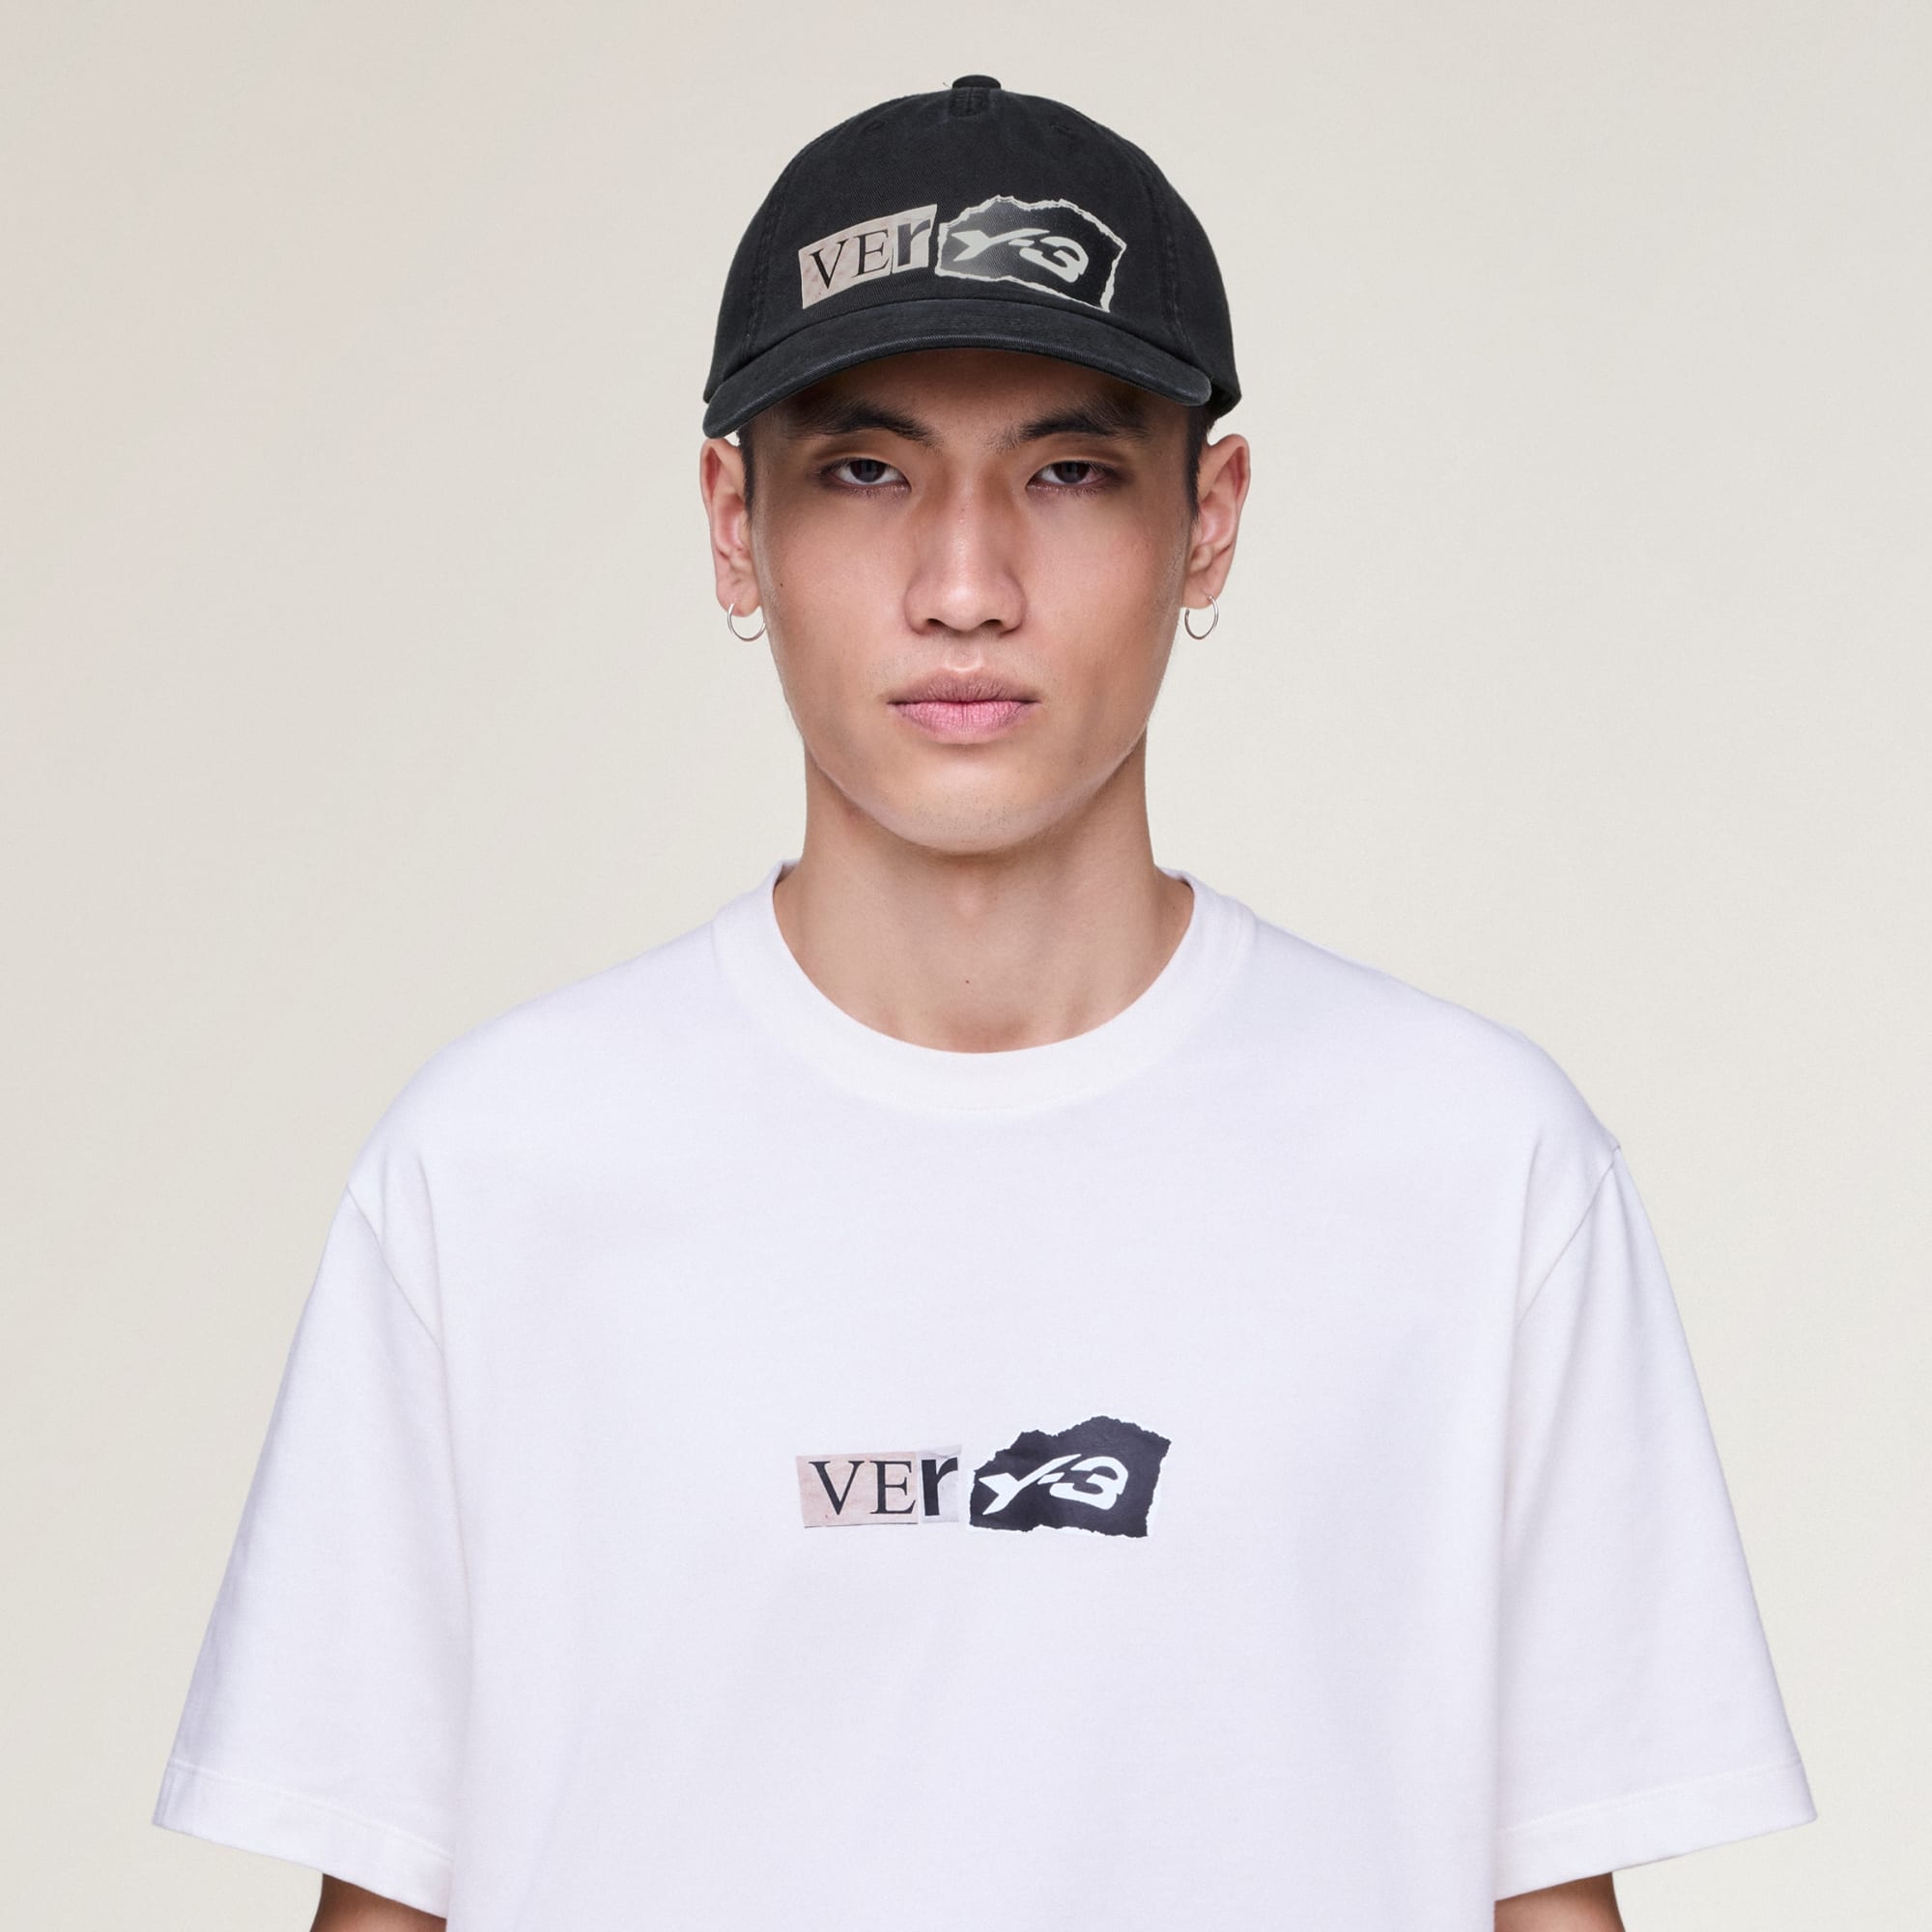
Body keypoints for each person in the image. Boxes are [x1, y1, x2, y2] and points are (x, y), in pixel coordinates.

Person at [151, 75, 1816, 1932]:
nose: (963, 585)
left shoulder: (1475, 1170)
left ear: (1208, 519)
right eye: (865, 472)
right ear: (733, 521)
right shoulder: (495, 1174)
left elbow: (1550, 1901)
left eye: (1070, 472)